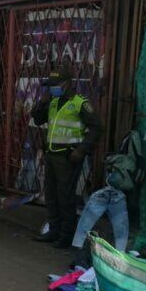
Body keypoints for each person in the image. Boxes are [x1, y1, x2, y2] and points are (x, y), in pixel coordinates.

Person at [30, 64, 103, 248]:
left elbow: (97, 128)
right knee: (51, 195)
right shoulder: (53, 102)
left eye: (55, 85)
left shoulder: (80, 103)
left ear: (67, 84)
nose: (52, 88)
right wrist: (42, 102)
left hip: (68, 157)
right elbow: (38, 119)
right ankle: (53, 231)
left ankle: (66, 236)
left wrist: (81, 150)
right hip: (52, 155)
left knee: (66, 198)